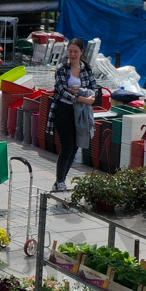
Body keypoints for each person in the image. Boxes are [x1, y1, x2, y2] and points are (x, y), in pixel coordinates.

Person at [49, 38, 95, 191]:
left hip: (80, 113)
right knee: (67, 146)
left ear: (82, 52)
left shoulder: (87, 69)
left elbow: (94, 89)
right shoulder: (62, 68)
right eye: (70, 51)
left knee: (76, 147)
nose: (73, 54)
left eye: (76, 51)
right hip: (64, 110)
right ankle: (59, 181)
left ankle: (62, 180)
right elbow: (61, 90)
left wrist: (84, 95)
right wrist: (82, 98)